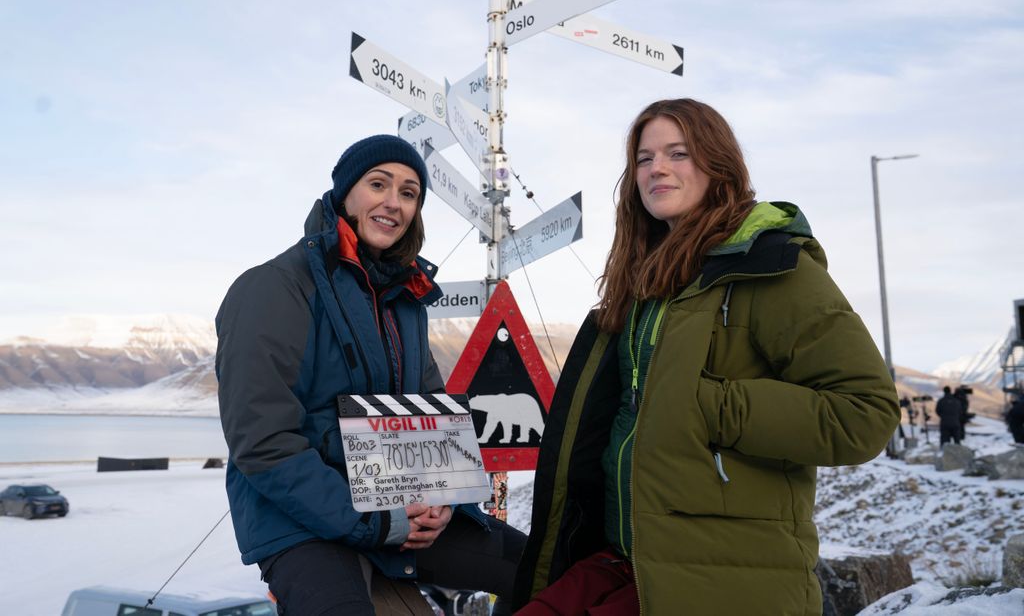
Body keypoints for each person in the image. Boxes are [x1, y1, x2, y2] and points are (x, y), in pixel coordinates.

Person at [512, 99, 900, 615]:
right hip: (627, 557)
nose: (658, 168)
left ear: (718, 165)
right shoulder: (642, 284)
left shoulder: (773, 267)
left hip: (716, 576)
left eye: (679, 152)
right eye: (645, 158)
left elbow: (865, 413)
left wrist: (702, 405)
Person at [216, 135, 524, 615]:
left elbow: (430, 412)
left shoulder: (407, 298)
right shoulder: (276, 287)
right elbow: (263, 441)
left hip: (400, 509)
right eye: (377, 184)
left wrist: (442, 500)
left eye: (408, 193)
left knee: (542, 568)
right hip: (304, 522)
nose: (392, 202)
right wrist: (377, 521)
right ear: (345, 194)